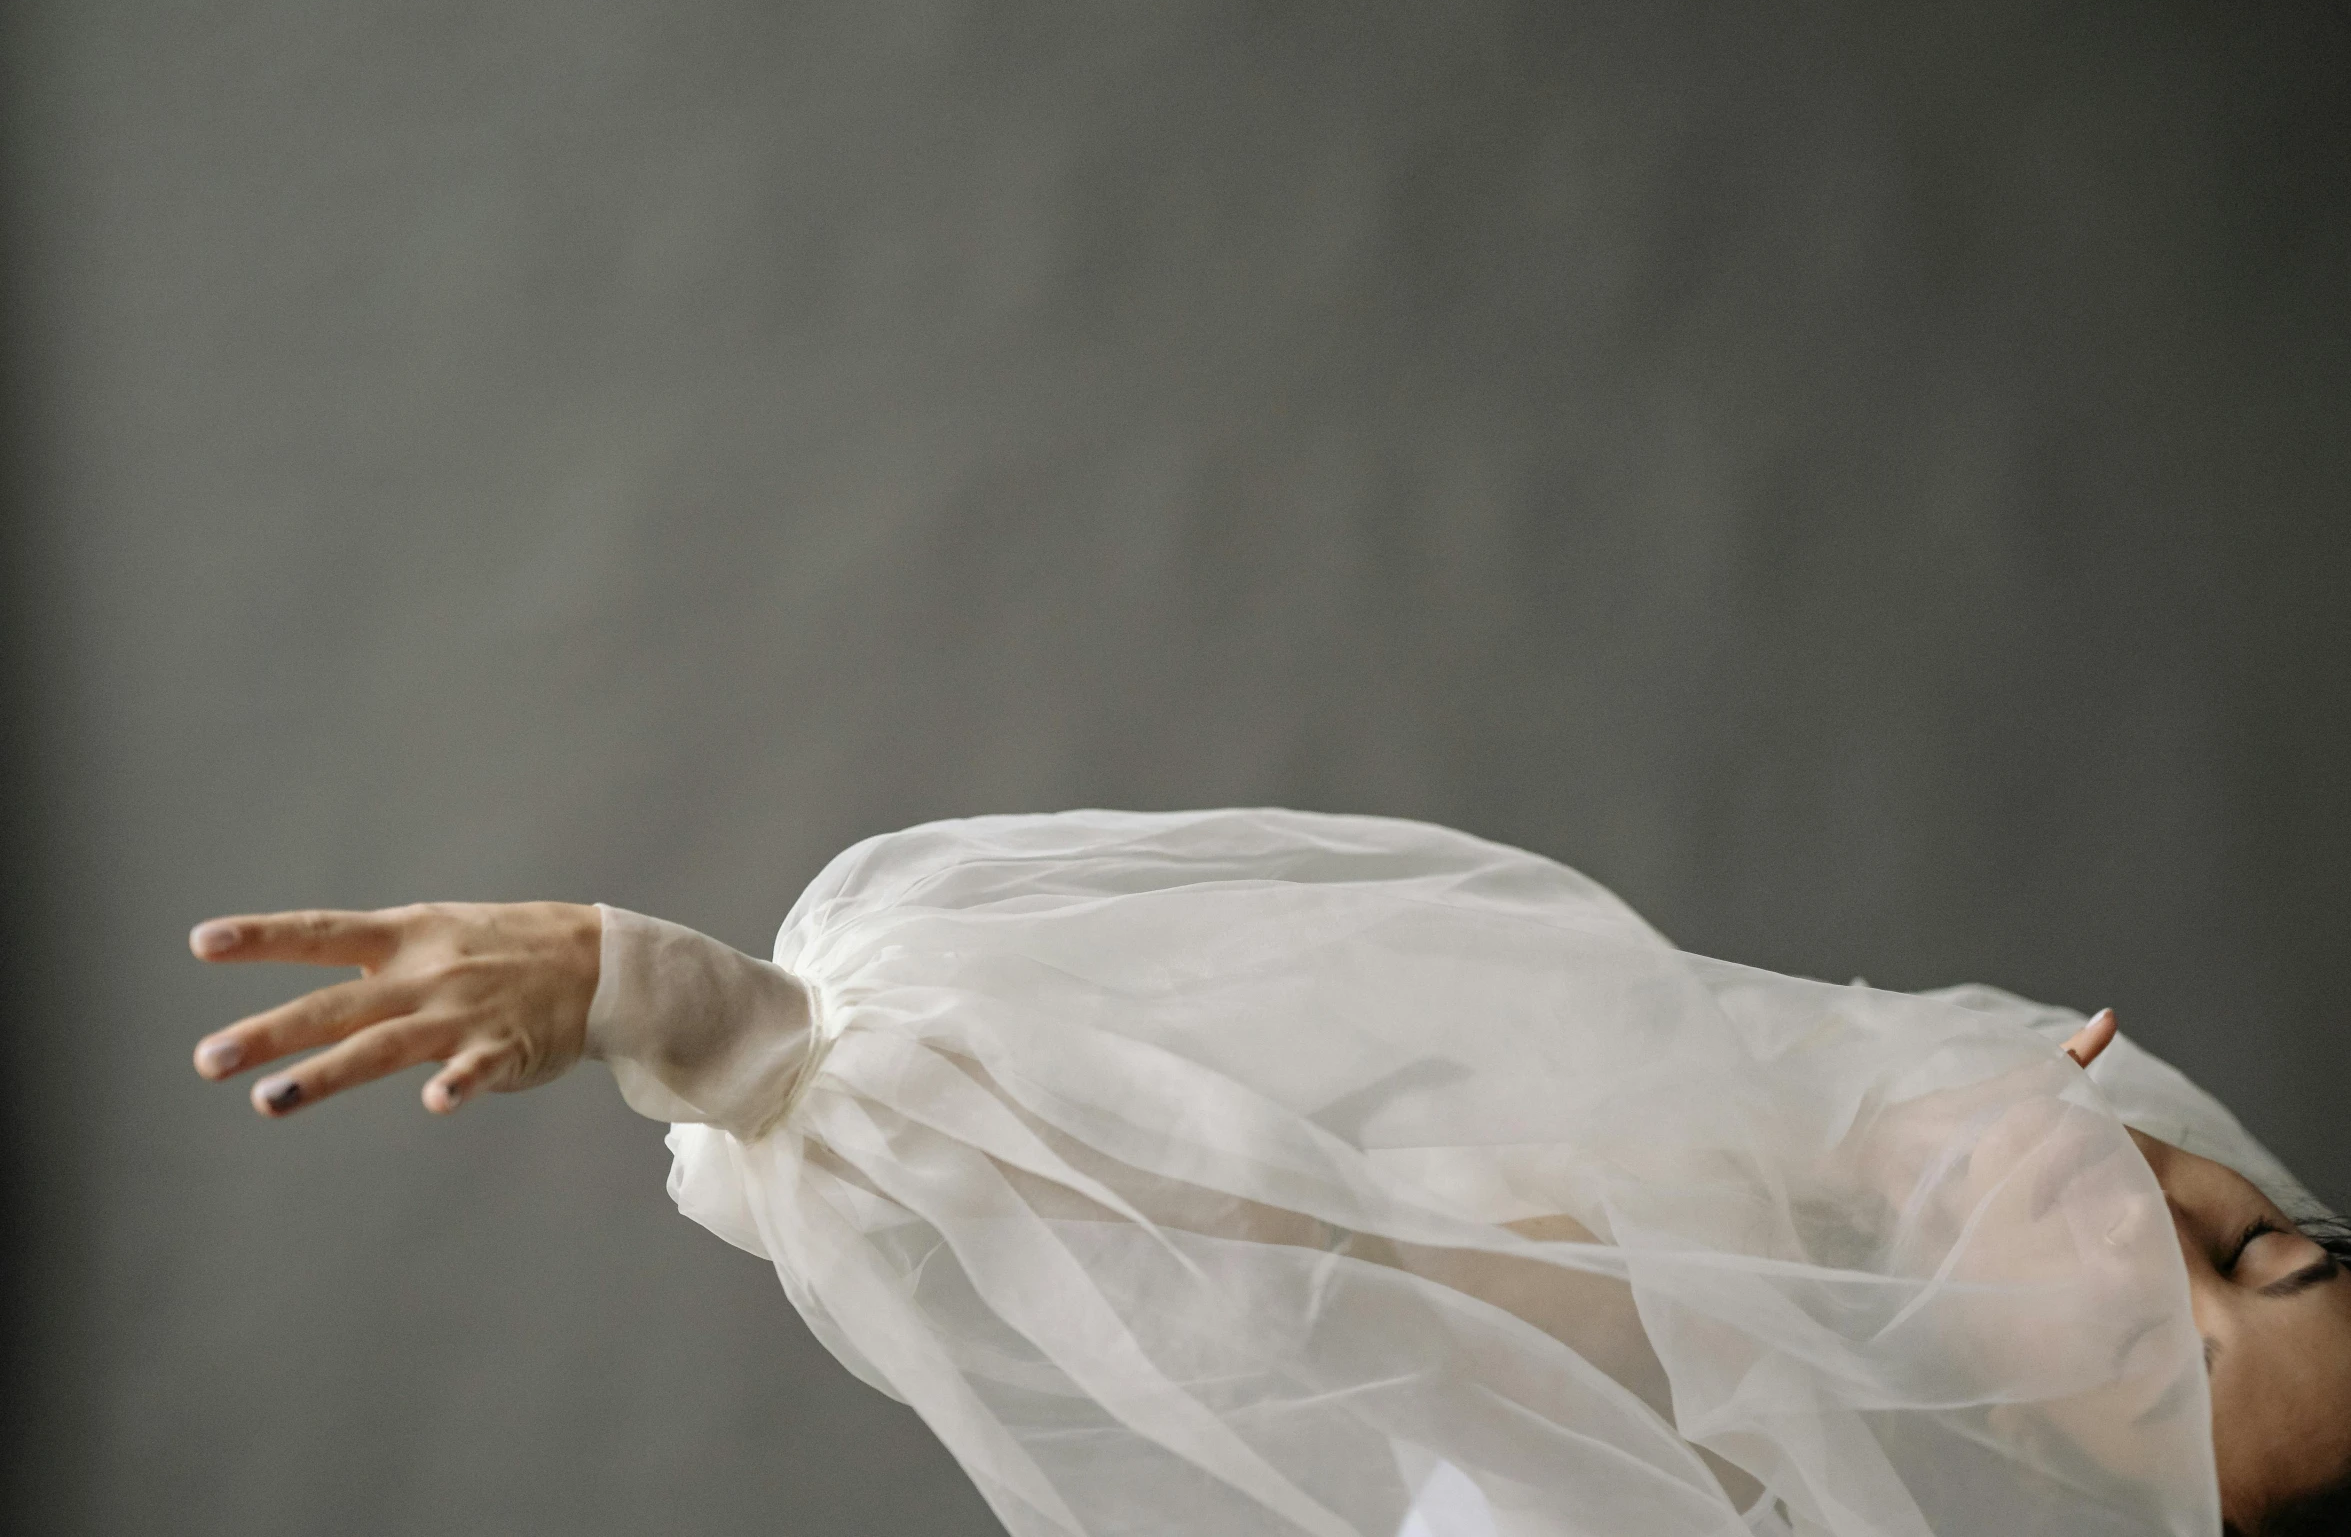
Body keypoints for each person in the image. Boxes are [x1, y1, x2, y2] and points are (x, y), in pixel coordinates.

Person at [185, 809, 2351, 1537]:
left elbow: (1205, 1236)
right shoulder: (1693, 1153)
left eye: (2168, 1333)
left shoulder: (1601, 1348)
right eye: (2275, 1235)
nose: (2157, 1170)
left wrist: (709, 1027)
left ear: (1982, 1452)